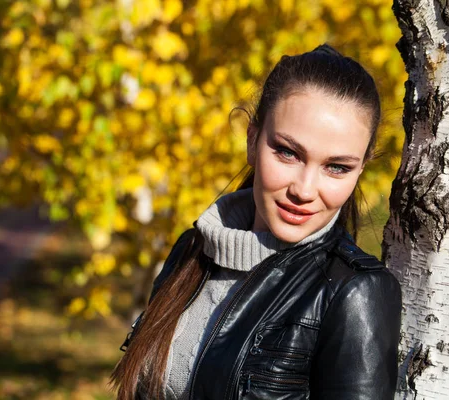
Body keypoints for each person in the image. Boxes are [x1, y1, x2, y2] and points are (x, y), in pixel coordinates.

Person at [111, 44, 402, 400]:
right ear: (252, 140)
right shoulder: (192, 250)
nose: (305, 190)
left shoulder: (354, 293)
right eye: (288, 152)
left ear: (360, 169)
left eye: (336, 167)